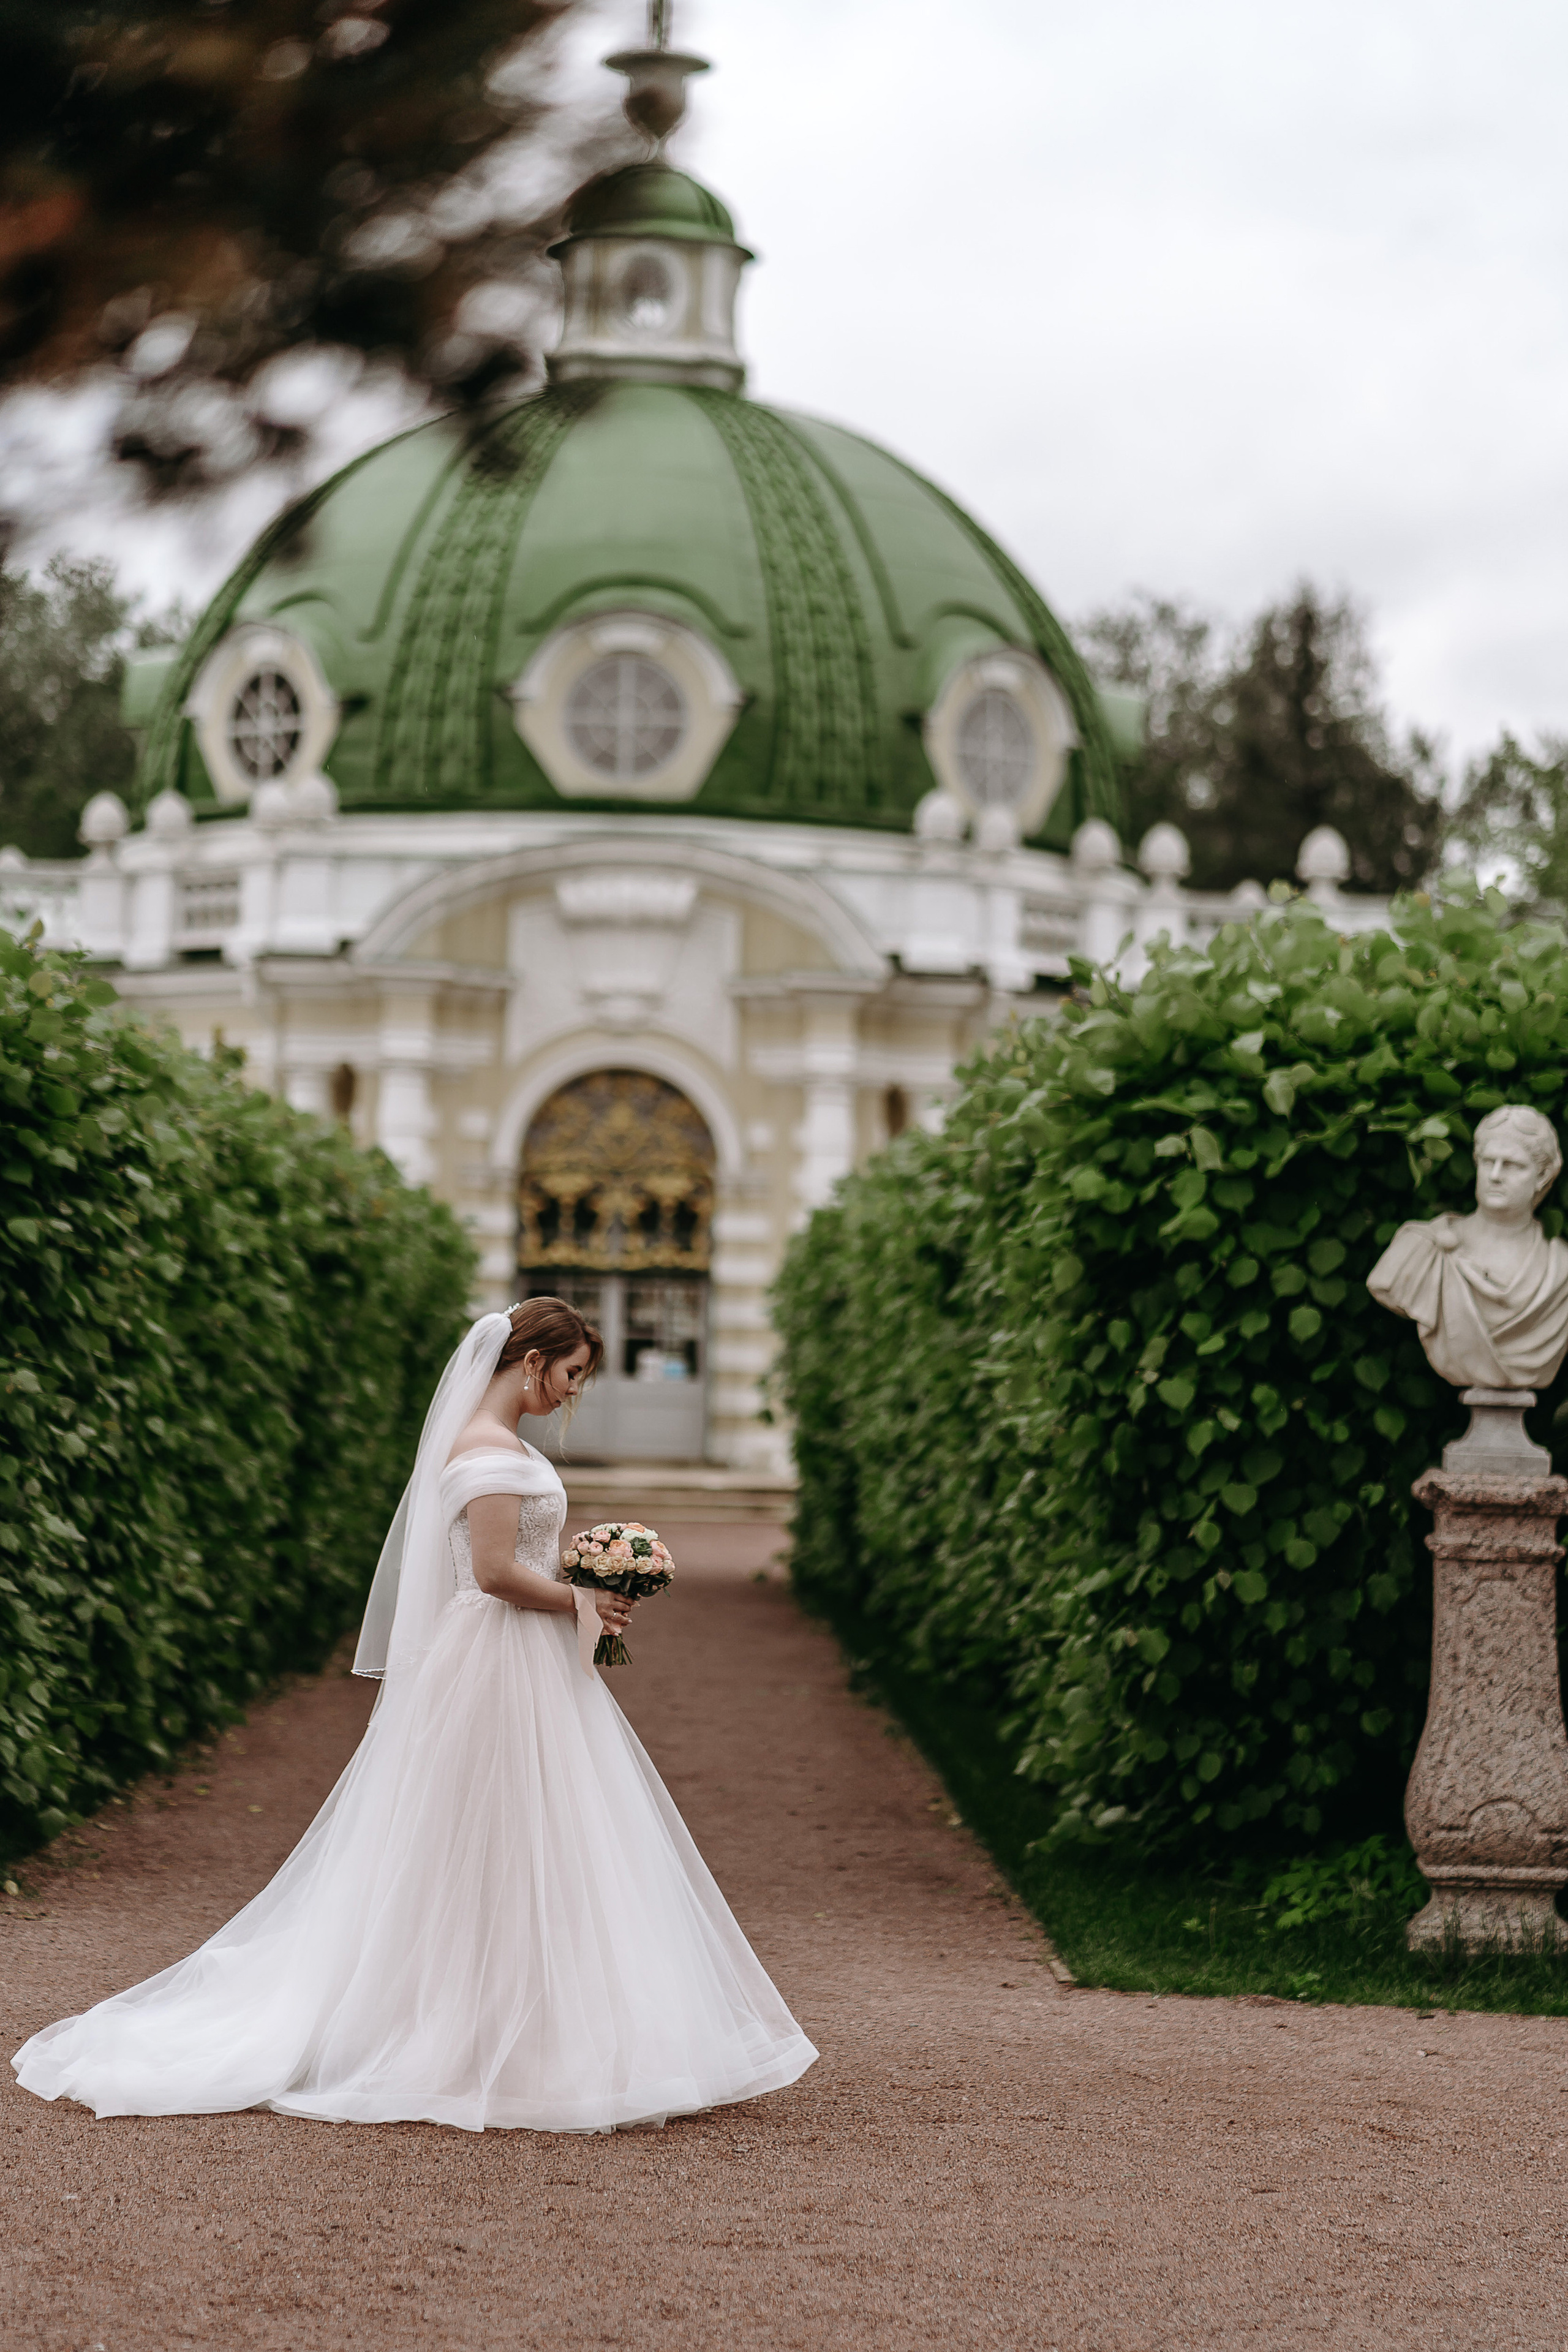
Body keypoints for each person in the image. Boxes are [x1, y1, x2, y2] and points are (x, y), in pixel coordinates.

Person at [12, 1297, 816, 2132]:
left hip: (520, 1654)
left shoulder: (498, 1446)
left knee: (534, 1832)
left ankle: (527, 2020)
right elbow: (499, 1573)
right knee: (493, 1832)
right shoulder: (486, 1453)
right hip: (498, 1655)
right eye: (570, 1375)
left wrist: (588, 1600)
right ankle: (471, 2030)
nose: (571, 1396)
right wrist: (587, 1598)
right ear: (532, 1359)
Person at [1366, 1103, 1568, 1390]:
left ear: (1542, 1177)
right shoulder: (1420, 1249)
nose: (1495, 1175)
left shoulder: (1561, 1269)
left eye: (1512, 1165)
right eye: (1488, 1162)